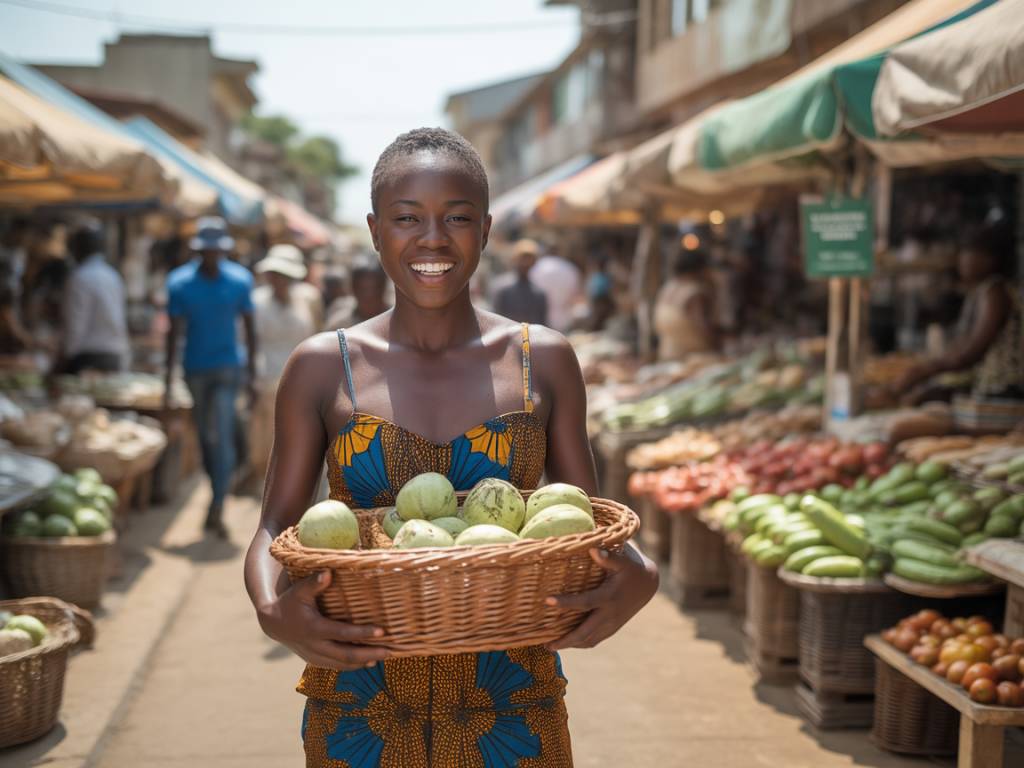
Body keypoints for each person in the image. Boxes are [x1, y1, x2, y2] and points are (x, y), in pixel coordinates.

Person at [244, 127, 658, 766]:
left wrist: (642, 574)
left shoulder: (540, 359)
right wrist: (273, 611)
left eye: (456, 218)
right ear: (376, 231)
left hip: (512, 701)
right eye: (407, 218)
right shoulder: (324, 366)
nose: (432, 238)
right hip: (361, 700)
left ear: (487, 229)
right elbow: (275, 523)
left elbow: (588, 517)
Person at [166, 216, 257, 537]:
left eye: (217, 251)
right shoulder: (179, 283)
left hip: (228, 369)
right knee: (206, 437)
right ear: (198, 250)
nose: (212, 256)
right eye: (207, 251)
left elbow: (249, 327)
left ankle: (217, 503)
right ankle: (216, 488)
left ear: (224, 251)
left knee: (219, 434)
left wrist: (251, 375)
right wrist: (168, 382)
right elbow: (173, 334)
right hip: (195, 370)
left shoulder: (240, 280)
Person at [895, 226, 1022, 401]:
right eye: (962, 252)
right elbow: (962, 350)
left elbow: (969, 353)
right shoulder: (980, 291)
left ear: (991, 259)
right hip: (987, 387)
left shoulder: (994, 292)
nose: (962, 260)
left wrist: (920, 372)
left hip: (1004, 392)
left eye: (970, 252)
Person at [250, 244, 317, 482]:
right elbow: (249, 342)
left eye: (285, 276)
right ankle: (266, 481)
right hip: (267, 378)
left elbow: (318, 335)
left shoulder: (309, 298)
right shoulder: (256, 302)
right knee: (266, 436)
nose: (279, 280)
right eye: (275, 275)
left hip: (302, 380)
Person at [57, 222, 130, 374]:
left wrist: (60, 363)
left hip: (86, 358)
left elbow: (75, 326)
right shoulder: (113, 276)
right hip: (114, 355)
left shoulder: (79, 278)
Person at [653, 249, 718, 361]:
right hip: (692, 358)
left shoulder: (668, 287)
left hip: (666, 353)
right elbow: (702, 327)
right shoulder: (694, 293)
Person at [491, 238, 548, 324]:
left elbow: (542, 322)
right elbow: (494, 318)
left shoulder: (539, 293)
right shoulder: (502, 288)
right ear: (515, 259)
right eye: (523, 258)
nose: (525, 262)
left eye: (529, 258)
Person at [529, 247, 582, 332]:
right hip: (564, 318)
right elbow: (575, 295)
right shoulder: (570, 268)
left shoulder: (536, 267)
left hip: (539, 319)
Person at [329, 259, 389, 328]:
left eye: (374, 289)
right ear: (353, 289)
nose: (369, 296)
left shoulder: (398, 322)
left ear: (383, 288)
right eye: (363, 290)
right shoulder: (340, 326)